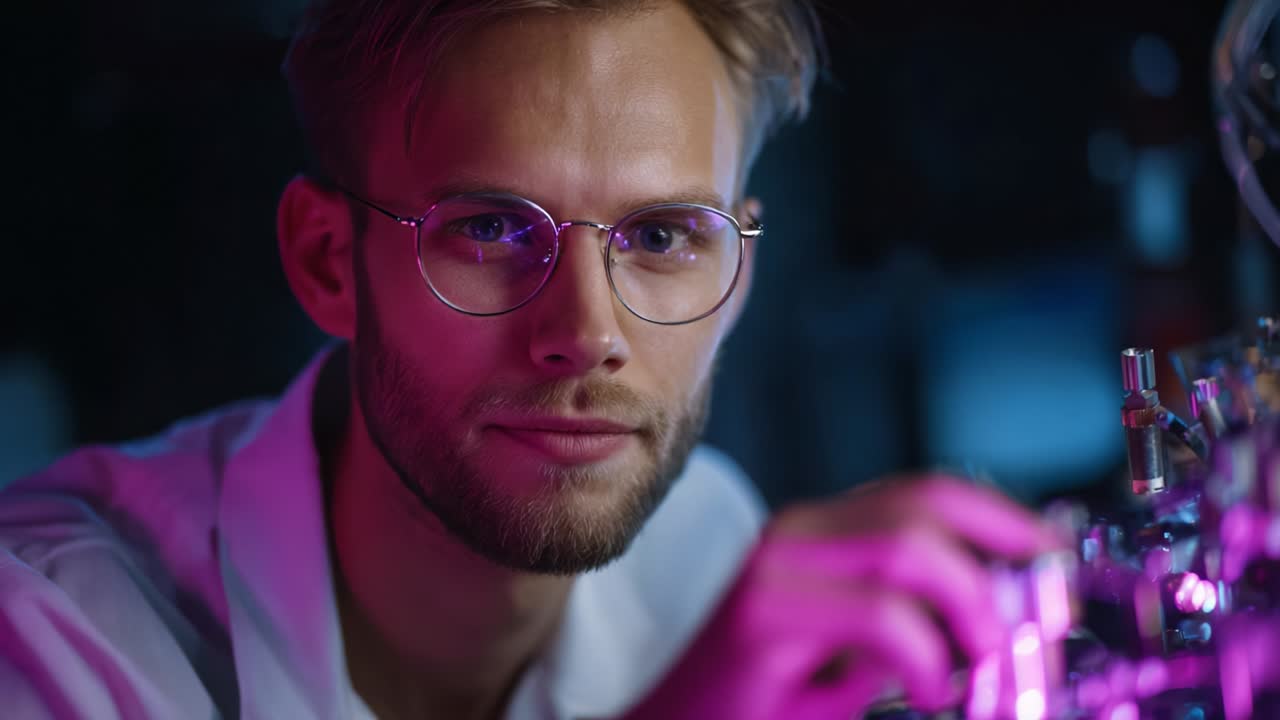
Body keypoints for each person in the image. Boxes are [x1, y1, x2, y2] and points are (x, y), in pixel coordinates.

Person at [0, 2, 1063, 718]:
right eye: (493, 232)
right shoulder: (51, 638)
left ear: (736, 274)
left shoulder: (701, 548)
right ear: (329, 263)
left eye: (658, 239)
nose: (586, 333)